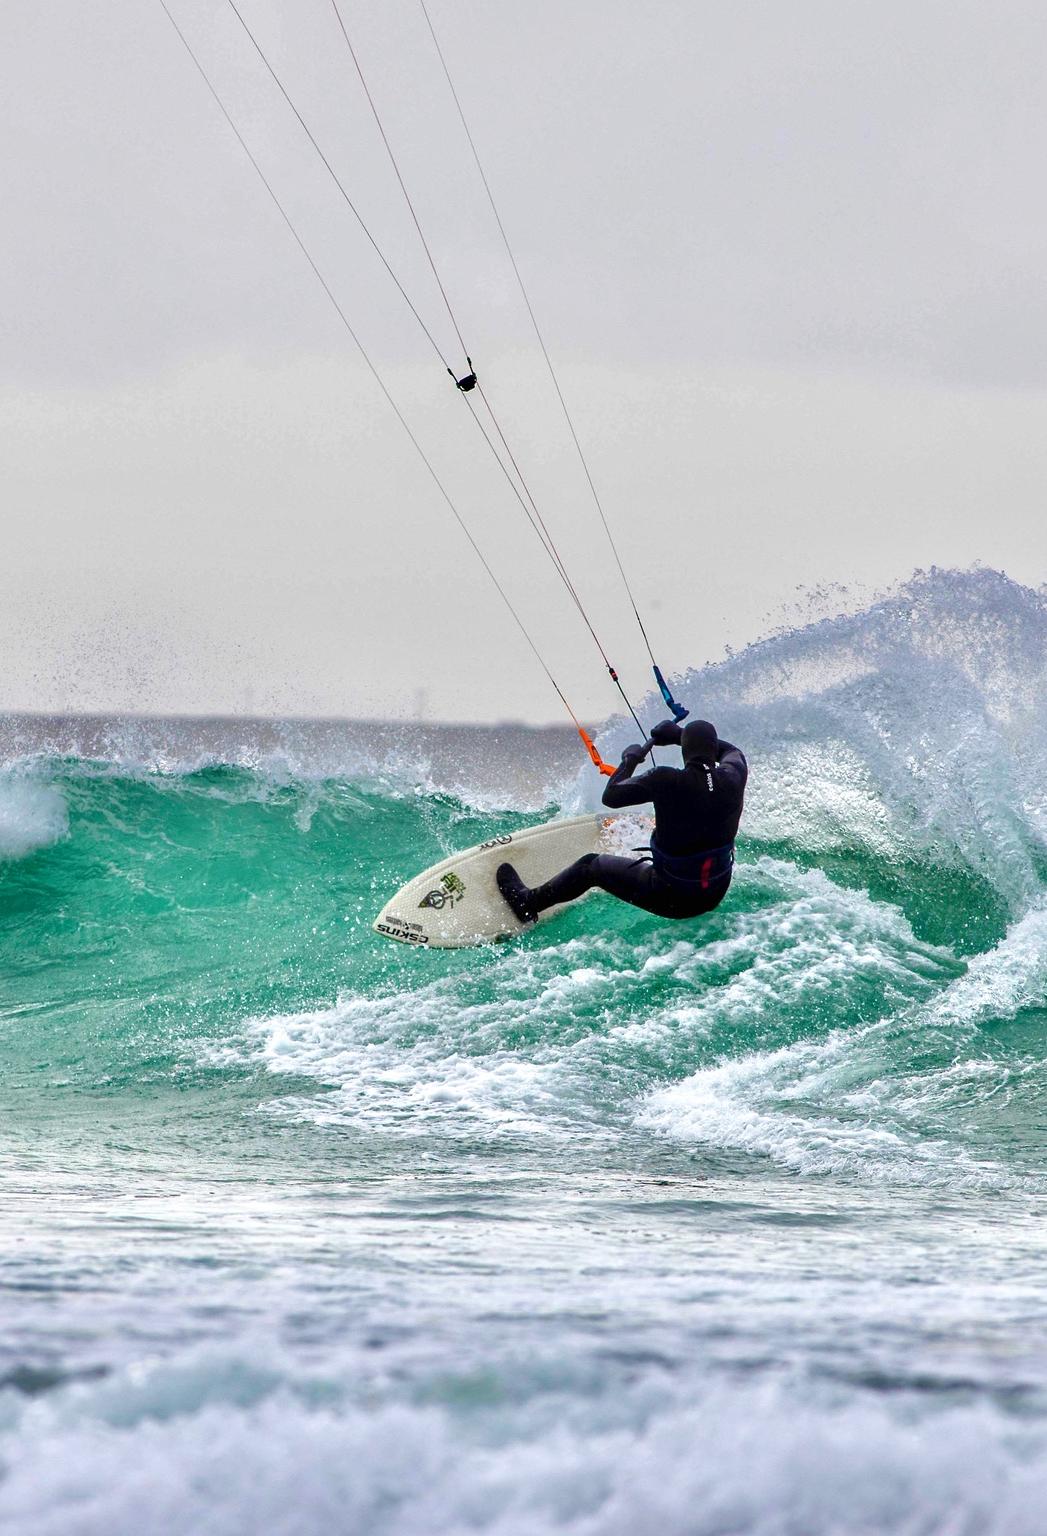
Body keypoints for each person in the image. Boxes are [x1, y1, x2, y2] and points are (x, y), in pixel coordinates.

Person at [496, 718, 747, 924]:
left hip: (673, 897)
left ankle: (527, 903)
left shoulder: (667, 780)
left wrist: (630, 761)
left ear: (683, 750)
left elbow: (612, 796)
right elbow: (733, 751)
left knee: (590, 866)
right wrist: (679, 734)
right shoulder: (734, 776)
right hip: (715, 891)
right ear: (713, 751)